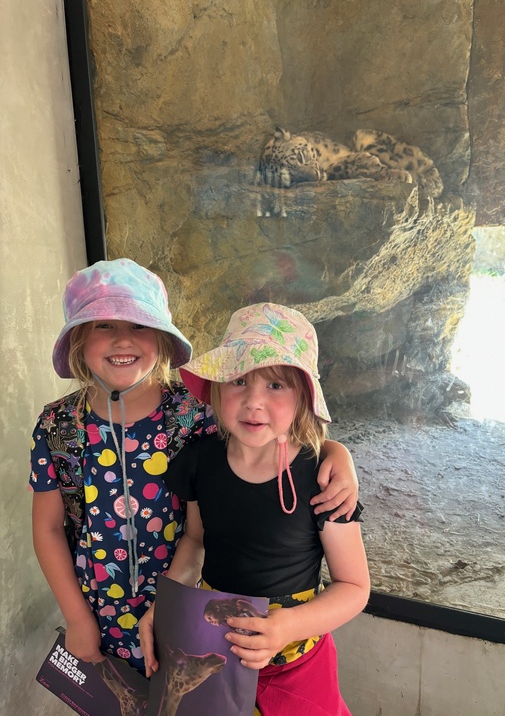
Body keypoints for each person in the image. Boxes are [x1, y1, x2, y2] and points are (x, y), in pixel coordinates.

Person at [29, 259, 359, 677]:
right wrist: (76, 617)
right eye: (103, 325)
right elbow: (48, 528)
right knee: (118, 701)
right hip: (97, 606)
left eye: (139, 325)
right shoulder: (57, 425)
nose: (122, 339)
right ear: (78, 339)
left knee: (183, 699)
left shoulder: (195, 412)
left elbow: (270, 435)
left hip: (189, 608)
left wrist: (335, 452)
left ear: (162, 337)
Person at [139, 302, 370, 716]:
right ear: (217, 388)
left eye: (276, 385)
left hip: (296, 662)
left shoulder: (324, 476)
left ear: (303, 397)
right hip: (216, 650)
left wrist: (288, 626)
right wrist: (167, 606)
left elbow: (354, 587)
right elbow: (195, 541)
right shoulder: (199, 460)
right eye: (239, 380)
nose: (253, 402)